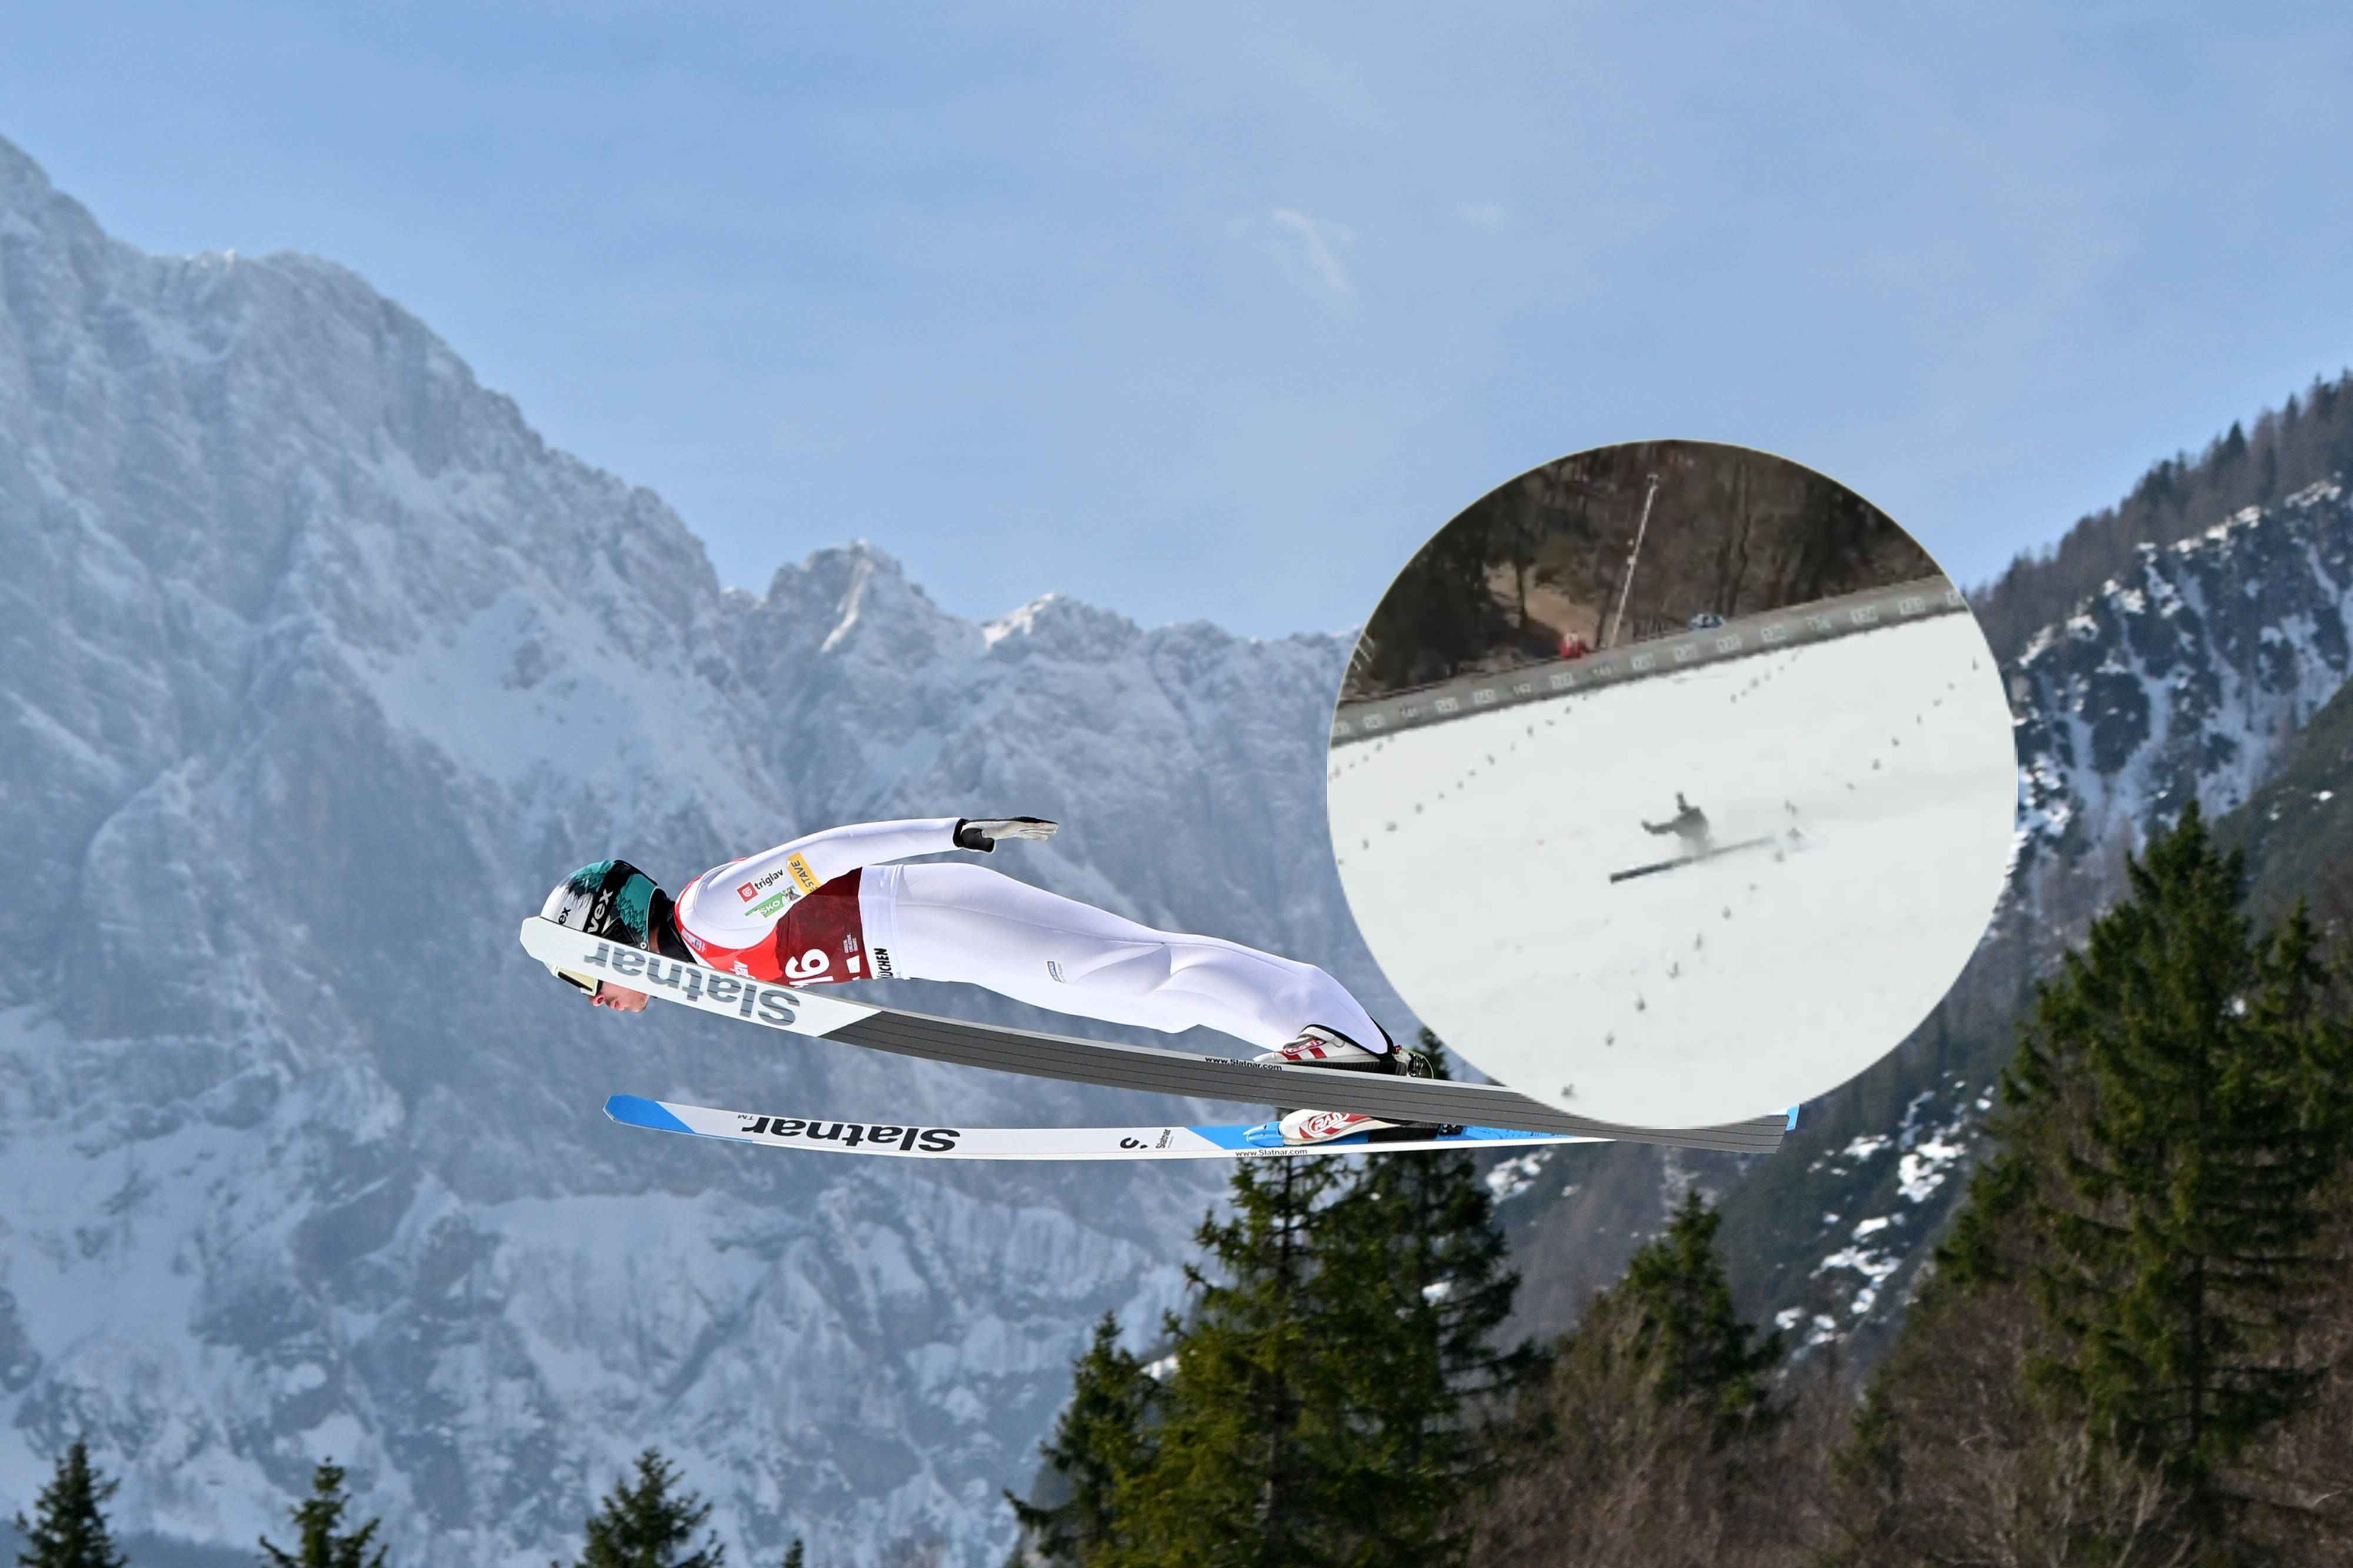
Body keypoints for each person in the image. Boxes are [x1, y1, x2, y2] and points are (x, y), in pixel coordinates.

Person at [535, 816, 1425, 1146]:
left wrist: (949, 830)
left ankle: (1343, 1051)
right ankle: (1346, 1062)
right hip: (937, 942)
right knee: (1149, 993)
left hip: (941, 915)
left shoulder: (707, 915)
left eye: (587, 976)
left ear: (613, 931)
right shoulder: (704, 956)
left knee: (1141, 974)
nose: (598, 998)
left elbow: (818, 855)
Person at [1641, 792, 1712, 852]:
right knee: (1677, 828)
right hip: (1691, 830)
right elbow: (1668, 827)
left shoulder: (1695, 813)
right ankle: (1700, 848)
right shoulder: (1681, 820)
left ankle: (1704, 847)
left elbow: (1704, 823)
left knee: (1691, 833)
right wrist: (1652, 829)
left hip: (1698, 829)